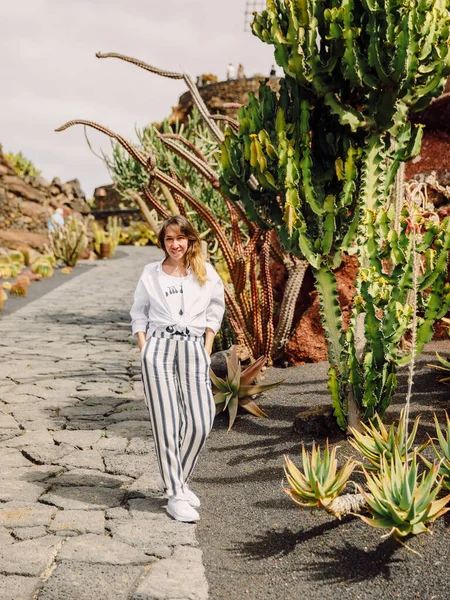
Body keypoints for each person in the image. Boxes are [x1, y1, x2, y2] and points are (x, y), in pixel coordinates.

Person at [130, 215, 225, 523]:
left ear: (190, 240)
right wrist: (144, 349)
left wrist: (208, 346)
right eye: (169, 239)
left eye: (180, 238)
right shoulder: (151, 273)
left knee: (201, 419)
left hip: (194, 348)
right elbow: (139, 312)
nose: (174, 244)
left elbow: (215, 309)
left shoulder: (205, 272)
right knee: (166, 421)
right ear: (163, 242)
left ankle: (176, 478)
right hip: (158, 347)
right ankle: (176, 494)